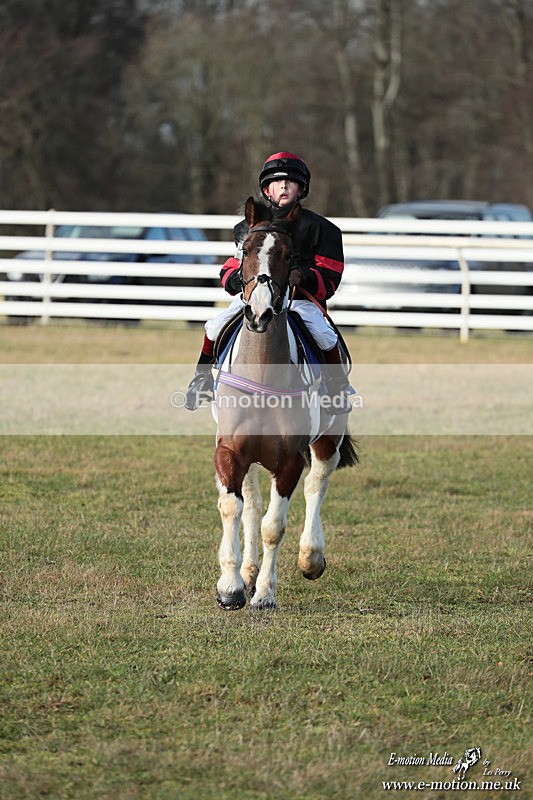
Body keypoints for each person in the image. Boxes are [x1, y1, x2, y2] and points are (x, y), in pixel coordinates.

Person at [184, 151, 350, 412]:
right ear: (266, 189)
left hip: (299, 301)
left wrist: (304, 276)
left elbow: (330, 276)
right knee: (215, 326)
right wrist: (236, 280)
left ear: (301, 189)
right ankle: (201, 379)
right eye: (276, 182)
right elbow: (231, 265)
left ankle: (337, 389)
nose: (283, 186)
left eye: (290, 182)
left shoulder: (321, 229)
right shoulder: (247, 228)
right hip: (254, 297)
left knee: (324, 334)